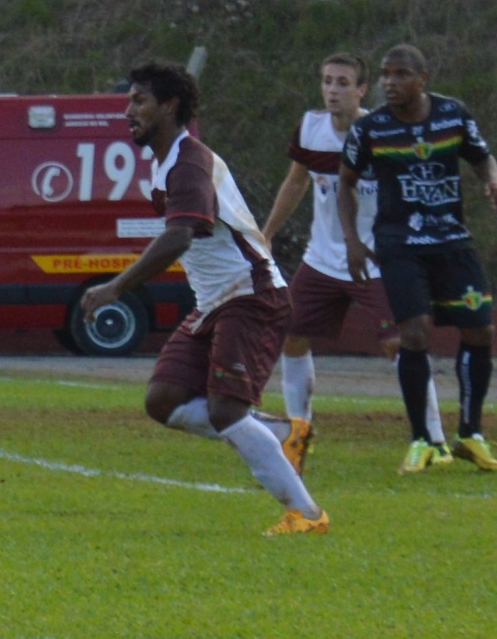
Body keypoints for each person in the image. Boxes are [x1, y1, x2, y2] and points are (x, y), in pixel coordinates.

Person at [78, 63, 327, 534]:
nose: (127, 111)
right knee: (164, 400)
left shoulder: (189, 161)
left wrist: (116, 286)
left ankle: (307, 515)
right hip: (216, 300)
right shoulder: (170, 160)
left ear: (169, 107)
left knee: (226, 411)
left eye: (139, 101)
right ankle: (279, 434)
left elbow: (179, 238)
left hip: (250, 296)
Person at [339, 42, 497, 473]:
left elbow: (482, 157)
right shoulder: (371, 129)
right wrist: (353, 240)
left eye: (400, 75)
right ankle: (422, 440)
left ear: (422, 79)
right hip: (400, 244)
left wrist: (490, 178)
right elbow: (345, 183)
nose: (390, 82)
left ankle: (470, 433)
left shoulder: (453, 115)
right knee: (415, 333)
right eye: (386, 75)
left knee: (481, 328)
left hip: (453, 241)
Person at [262, 51, 382, 473]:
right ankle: (299, 431)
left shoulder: (379, 131)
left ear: (362, 90)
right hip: (322, 258)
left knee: (402, 343)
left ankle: (430, 439)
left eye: (343, 83)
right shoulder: (312, 127)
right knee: (293, 335)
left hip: (373, 258)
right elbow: (296, 181)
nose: (333, 90)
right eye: (328, 81)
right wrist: (268, 233)